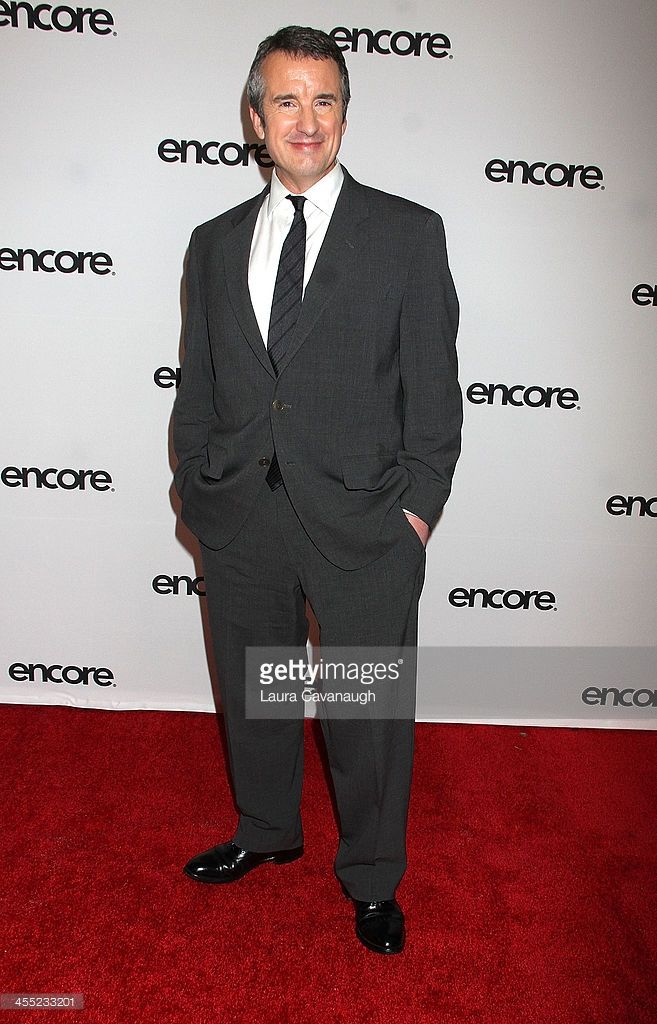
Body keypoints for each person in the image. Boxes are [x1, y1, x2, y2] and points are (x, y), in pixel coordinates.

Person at [172, 25, 462, 955]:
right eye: (286, 100)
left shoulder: (407, 233)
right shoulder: (213, 242)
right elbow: (198, 383)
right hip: (240, 514)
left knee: (363, 714)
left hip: (365, 521)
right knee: (254, 691)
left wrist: (415, 511)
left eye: (324, 99)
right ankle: (267, 830)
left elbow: (434, 392)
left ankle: (371, 877)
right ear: (255, 119)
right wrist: (196, 487)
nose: (306, 120)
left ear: (343, 114)